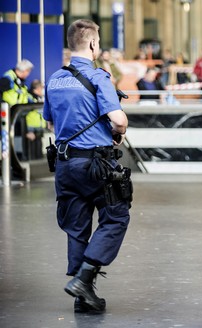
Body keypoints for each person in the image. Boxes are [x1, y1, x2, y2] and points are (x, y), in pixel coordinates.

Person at [43, 19, 130, 313]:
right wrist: (118, 131)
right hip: (96, 164)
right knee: (116, 217)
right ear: (93, 44)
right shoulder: (98, 78)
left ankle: (84, 299)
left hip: (65, 165)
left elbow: (50, 120)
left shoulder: (54, 79)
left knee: (76, 228)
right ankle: (85, 276)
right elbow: (118, 120)